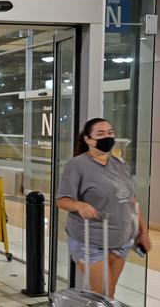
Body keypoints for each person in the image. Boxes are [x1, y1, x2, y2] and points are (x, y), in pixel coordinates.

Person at [56, 118, 151, 298]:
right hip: (90, 240)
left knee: (109, 294)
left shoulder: (120, 164)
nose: (107, 137)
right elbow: (62, 200)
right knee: (101, 294)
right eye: (100, 134)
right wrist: (79, 205)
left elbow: (132, 201)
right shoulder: (77, 165)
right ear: (88, 139)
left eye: (110, 133)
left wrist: (143, 232)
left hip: (121, 239)